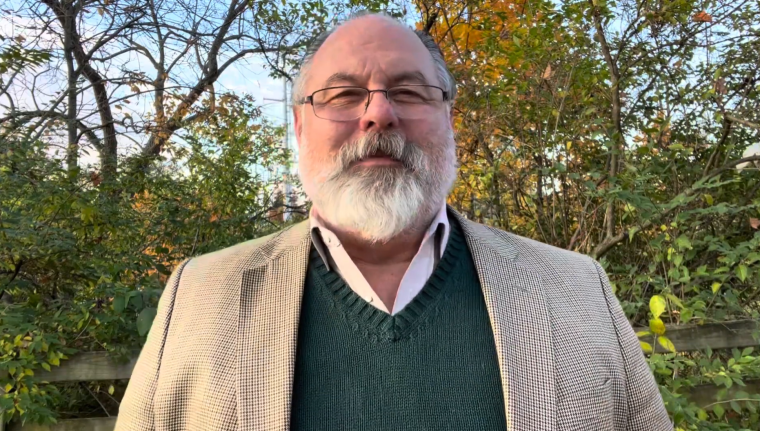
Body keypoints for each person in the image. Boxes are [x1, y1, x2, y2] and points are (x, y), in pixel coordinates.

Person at [116, 12, 671, 431]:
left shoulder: (577, 287)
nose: (379, 113)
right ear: (300, 128)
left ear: (449, 119)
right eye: (343, 95)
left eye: (408, 91)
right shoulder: (200, 293)